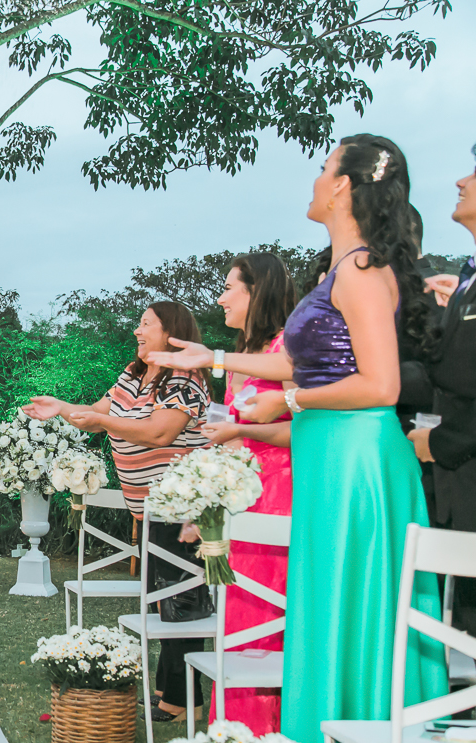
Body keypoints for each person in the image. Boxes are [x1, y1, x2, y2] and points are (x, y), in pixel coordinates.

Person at [149, 134, 449, 743]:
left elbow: (380, 383)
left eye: (323, 168)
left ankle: (361, 722)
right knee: (326, 607)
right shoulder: (342, 267)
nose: (314, 179)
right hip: (328, 453)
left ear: (342, 186)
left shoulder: (363, 269)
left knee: (353, 606)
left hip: (356, 456)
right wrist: (218, 360)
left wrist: (289, 402)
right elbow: (308, 362)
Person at [24, 301, 212, 723]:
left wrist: (101, 421)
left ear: (172, 332)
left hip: (182, 508)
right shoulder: (133, 374)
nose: (137, 331)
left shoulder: (183, 378)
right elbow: (95, 417)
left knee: (178, 602)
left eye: (147, 324)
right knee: (159, 602)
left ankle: (181, 700)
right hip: (148, 509)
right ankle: (175, 694)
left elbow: (159, 431)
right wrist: (62, 407)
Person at [194, 253, 296, 733]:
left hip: (281, 492)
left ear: (258, 292)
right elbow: (234, 436)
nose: (221, 298)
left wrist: (244, 432)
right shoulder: (241, 358)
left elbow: (309, 426)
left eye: (230, 287)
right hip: (243, 494)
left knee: (268, 620)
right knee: (236, 614)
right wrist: (205, 501)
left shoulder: (288, 348)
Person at [407, 144, 476, 638]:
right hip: (458, 488)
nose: (461, 181)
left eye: (474, 173)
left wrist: (443, 442)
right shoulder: (465, 282)